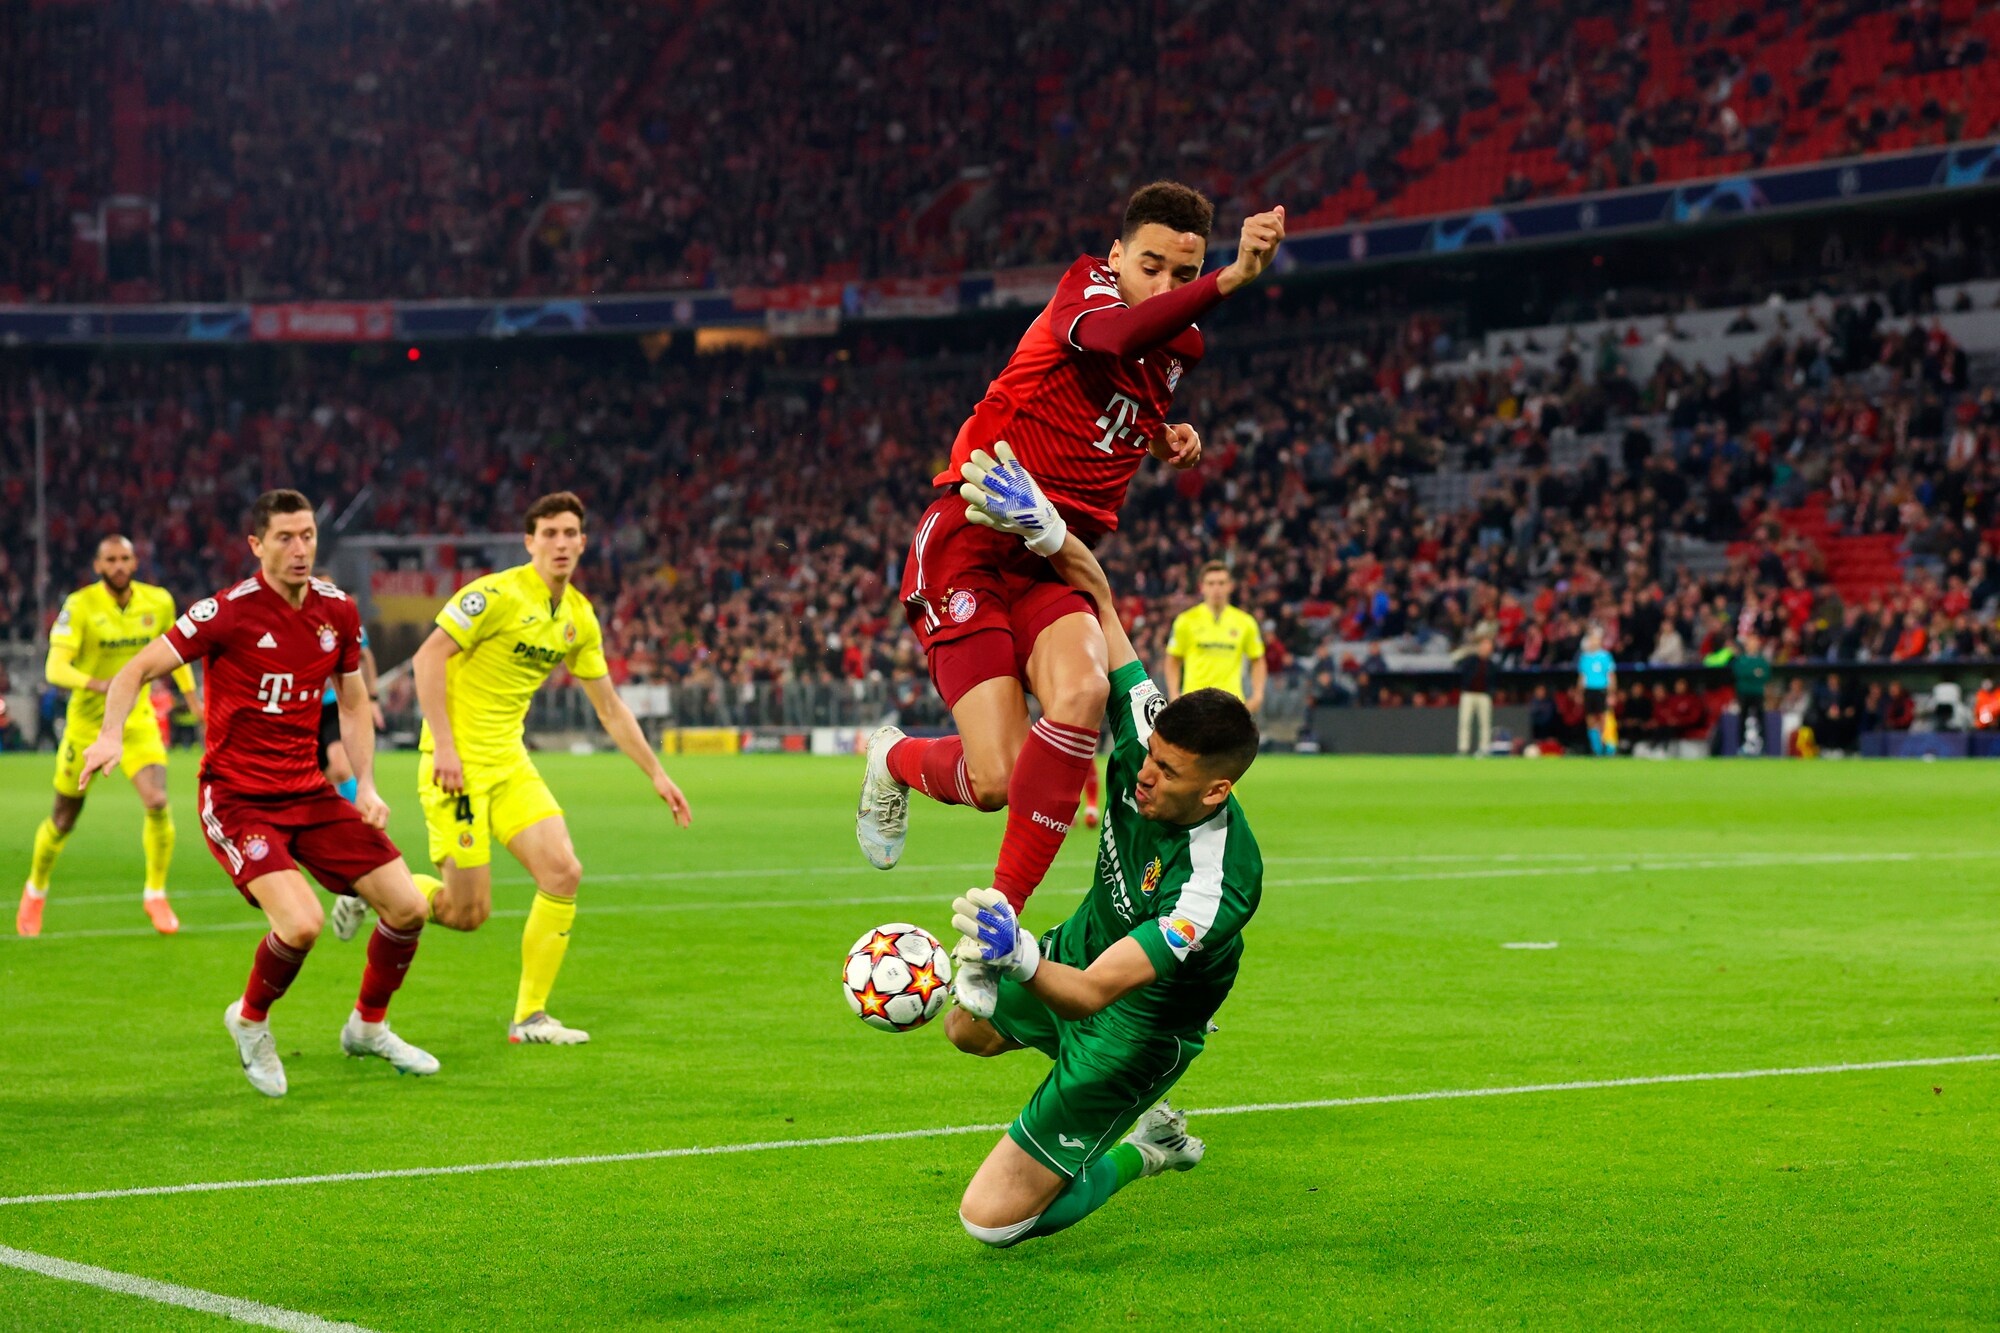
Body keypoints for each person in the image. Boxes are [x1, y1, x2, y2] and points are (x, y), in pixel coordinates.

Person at [856, 182, 1286, 920]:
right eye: (1151, 266)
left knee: (1084, 691)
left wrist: (1161, 436)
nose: (1166, 286)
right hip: (972, 536)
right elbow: (1112, 340)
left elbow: (1116, 396)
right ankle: (890, 756)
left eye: (1184, 274)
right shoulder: (1084, 288)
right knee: (995, 781)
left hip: (1053, 560)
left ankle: (1000, 919)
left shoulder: (1181, 346)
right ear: (1116, 255)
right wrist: (1232, 277)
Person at [941, 457, 1262, 1249]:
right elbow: (1104, 602)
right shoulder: (1148, 727)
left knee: (992, 1223)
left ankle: (1148, 1148)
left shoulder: (1214, 884)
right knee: (965, 1028)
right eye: (1150, 756)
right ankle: (1091, 1109)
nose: (1142, 774)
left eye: (1168, 774)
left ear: (1216, 790)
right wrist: (1049, 531)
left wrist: (1017, 954)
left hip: (1136, 1023)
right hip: (1089, 941)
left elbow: (1091, 995)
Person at [77, 489, 436, 1097]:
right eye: (285, 538)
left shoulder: (337, 610)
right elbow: (136, 669)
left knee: (408, 908)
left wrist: (367, 785)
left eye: (308, 536)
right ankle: (249, 1020)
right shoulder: (226, 612)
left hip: (309, 791)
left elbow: (353, 702)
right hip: (238, 799)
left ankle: (368, 1027)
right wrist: (110, 734)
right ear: (256, 545)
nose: (300, 549)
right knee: (302, 924)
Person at [378, 491, 692, 1045]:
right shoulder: (495, 595)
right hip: (456, 766)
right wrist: (445, 746)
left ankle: (530, 1018)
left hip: (509, 763)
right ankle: (374, 887)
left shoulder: (578, 617)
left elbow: (610, 708)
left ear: (583, 543)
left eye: (570, 533)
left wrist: (657, 774)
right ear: (530, 542)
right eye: (549, 534)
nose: (560, 543)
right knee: (466, 913)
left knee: (563, 871)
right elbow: (428, 657)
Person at [20, 535, 202, 938]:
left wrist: (194, 700)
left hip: (137, 721)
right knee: (63, 819)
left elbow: (177, 654)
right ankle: (35, 889)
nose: (119, 565)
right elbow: (55, 667)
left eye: (125, 558)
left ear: (135, 563)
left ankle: (156, 894)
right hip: (86, 725)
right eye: (111, 560)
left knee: (157, 801)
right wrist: (101, 684)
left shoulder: (158, 602)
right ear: (98, 566)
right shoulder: (80, 605)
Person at [316, 577, 383, 802]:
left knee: (340, 766)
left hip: (333, 704)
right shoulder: (299, 622)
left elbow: (365, 657)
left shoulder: (343, 620)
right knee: (322, 774)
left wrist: (372, 697)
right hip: (305, 709)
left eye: (330, 587)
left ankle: (363, 813)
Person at [1577, 628, 1616, 756]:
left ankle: (1607, 745)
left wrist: (1611, 693)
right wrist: (1579, 693)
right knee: (1590, 719)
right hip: (1589, 690)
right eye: (1591, 639)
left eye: (1596, 639)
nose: (1594, 642)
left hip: (1601, 690)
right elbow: (1582, 677)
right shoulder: (1584, 658)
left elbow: (1611, 675)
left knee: (1603, 718)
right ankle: (1597, 748)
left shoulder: (1605, 656)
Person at [1455, 635, 1496, 756]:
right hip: (1468, 694)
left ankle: (1484, 749)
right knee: (1465, 722)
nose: (1486, 649)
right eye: (1484, 646)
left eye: (1488, 647)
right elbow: (1459, 668)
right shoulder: (1470, 660)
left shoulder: (1491, 664)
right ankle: (1463, 749)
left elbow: (1493, 681)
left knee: (1485, 723)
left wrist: (1491, 692)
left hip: (1484, 695)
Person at [1732, 633, 1772, 754]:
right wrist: (1754, 673)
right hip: (1743, 693)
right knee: (1742, 719)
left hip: (1758, 693)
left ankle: (1764, 747)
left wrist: (1750, 675)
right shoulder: (1741, 659)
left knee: (1761, 719)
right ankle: (1740, 746)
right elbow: (1739, 672)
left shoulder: (1761, 660)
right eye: (1750, 642)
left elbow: (1765, 675)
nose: (1752, 644)